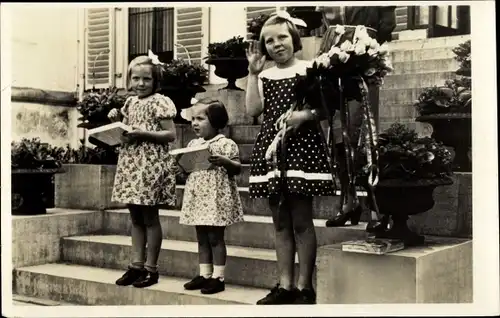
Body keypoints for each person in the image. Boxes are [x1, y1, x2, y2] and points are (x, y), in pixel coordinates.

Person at [245, 11, 335, 305]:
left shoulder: (310, 69)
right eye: (269, 41)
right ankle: (285, 285)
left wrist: (303, 116)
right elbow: (253, 110)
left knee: (301, 221)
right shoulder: (265, 76)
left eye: (282, 37)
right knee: (280, 222)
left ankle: (304, 286)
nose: (276, 44)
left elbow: (324, 110)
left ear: (294, 39)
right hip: (273, 153)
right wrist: (252, 73)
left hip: (301, 150)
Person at [319, 6, 397, 233]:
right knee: (338, 134)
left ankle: (376, 209)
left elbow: (387, 25)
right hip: (332, 55)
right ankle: (348, 202)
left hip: (363, 55)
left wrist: (365, 48)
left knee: (364, 133)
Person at [108, 54, 177, 288]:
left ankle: (151, 269)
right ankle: (136, 266)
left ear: (155, 81)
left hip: (150, 165)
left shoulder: (160, 101)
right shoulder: (130, 103)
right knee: (135, 217)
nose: (140, 83)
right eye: (136, 78)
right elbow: (127, 129)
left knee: (149, 217)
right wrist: (117, 119)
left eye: (146, 79)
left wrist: (143, 134)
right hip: (131, 163)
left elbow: (170, 135)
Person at [179, 98, 244, 295]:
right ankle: (204, 274)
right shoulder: (193, 143)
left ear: (215, 121)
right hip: (199, 197)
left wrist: (225, 162)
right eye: (193, 119)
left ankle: (218, 277)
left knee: (215, 238)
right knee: (201, 238)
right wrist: (180, 167)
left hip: (216, 198)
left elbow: (237, 168)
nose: (195, 123)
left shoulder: (226, 144)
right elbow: (188, 170)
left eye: (200, 118)